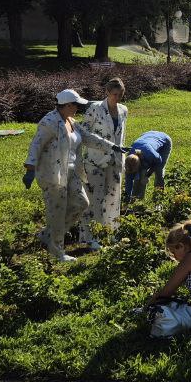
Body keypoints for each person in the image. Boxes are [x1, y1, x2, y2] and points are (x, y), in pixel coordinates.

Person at [25, 89, 121, 262]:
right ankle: (58, 252)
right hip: (53, 175)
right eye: (76, 105)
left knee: (81, 203)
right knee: (57, 212)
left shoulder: (71, 121)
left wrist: (111, 146)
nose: (78, 108)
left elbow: (88, 138)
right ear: (67, 105)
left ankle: (48, 235)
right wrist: (30, 169)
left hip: (72, 172)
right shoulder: (49, 122)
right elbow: (36, 145)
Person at [80, 77, 129, 250]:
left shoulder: (123, 110)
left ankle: (110, 233)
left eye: (120, 94)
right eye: (114, 94)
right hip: (95, 161)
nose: (117, 97)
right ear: (107, 93)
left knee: (113, 198)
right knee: (95, 199)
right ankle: (91, 237)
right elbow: (83, 133)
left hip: (115, 161)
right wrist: (103, 145)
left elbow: (121, 135)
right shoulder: (95, 109)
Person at [125, 131, 172, 200]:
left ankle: (158, 200)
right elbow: (129, 180)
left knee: (159, 171)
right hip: (147, 137)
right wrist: (127, 198)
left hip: (164, 141)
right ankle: (135, 198)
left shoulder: (150, 154)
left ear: (139, 164)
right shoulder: (130, 159)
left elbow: (158, 161)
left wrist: (147, 175)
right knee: (141, 172)